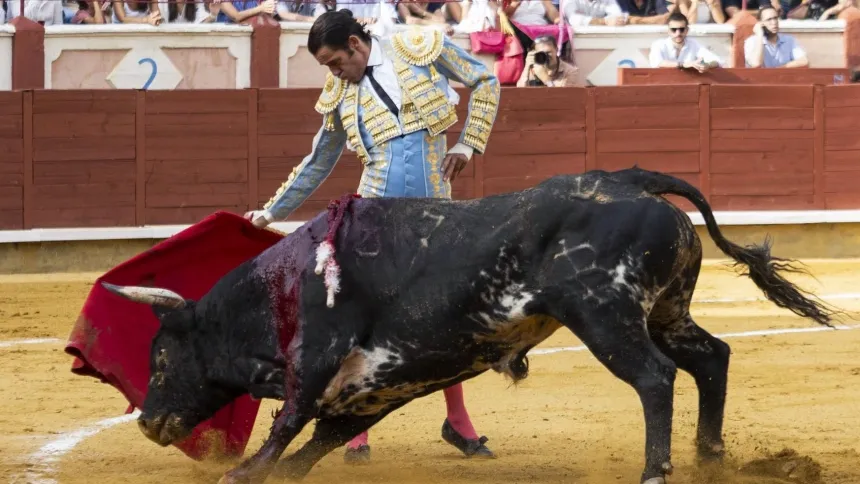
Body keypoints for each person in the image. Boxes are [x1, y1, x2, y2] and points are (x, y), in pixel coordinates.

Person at [244, 10, 501, 464]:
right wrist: (271, 211)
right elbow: (318, 161)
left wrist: (468, 143)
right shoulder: (339, 93)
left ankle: (458, 422)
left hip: (433, 213)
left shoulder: (417, 48)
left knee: (443, 315)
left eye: (334, 62)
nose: (333, 72)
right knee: (363, 319)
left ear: (356, 44)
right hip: (374, 216)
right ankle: (355, 431)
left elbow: (485, 80)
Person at [648, 10, 722, 71]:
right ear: (668, 31)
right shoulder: (658, 44)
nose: (678, 33)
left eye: (682, 29)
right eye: (674, 29)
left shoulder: (694, 44)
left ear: (687, 30)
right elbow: (657, 62)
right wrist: (683, 64)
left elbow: (717, 61)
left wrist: (707, 65)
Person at [744, 6, 809, 68]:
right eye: (769, 19)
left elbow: (804, 61)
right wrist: (760, 34)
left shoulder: (789, 40)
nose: (774, 22)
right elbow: (756, 64)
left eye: (775, 18)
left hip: (783, 78)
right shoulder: (751, 41)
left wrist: (779, 69)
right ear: (760, 23)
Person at [517, 35, 585, 87]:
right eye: (541, 53)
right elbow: (520, 91)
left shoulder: (570, 71)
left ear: (556, 50)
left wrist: (546, 79)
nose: (546, 56)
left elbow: (563, 96)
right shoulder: (534, 68)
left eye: (548, 52)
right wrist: (527, 67)